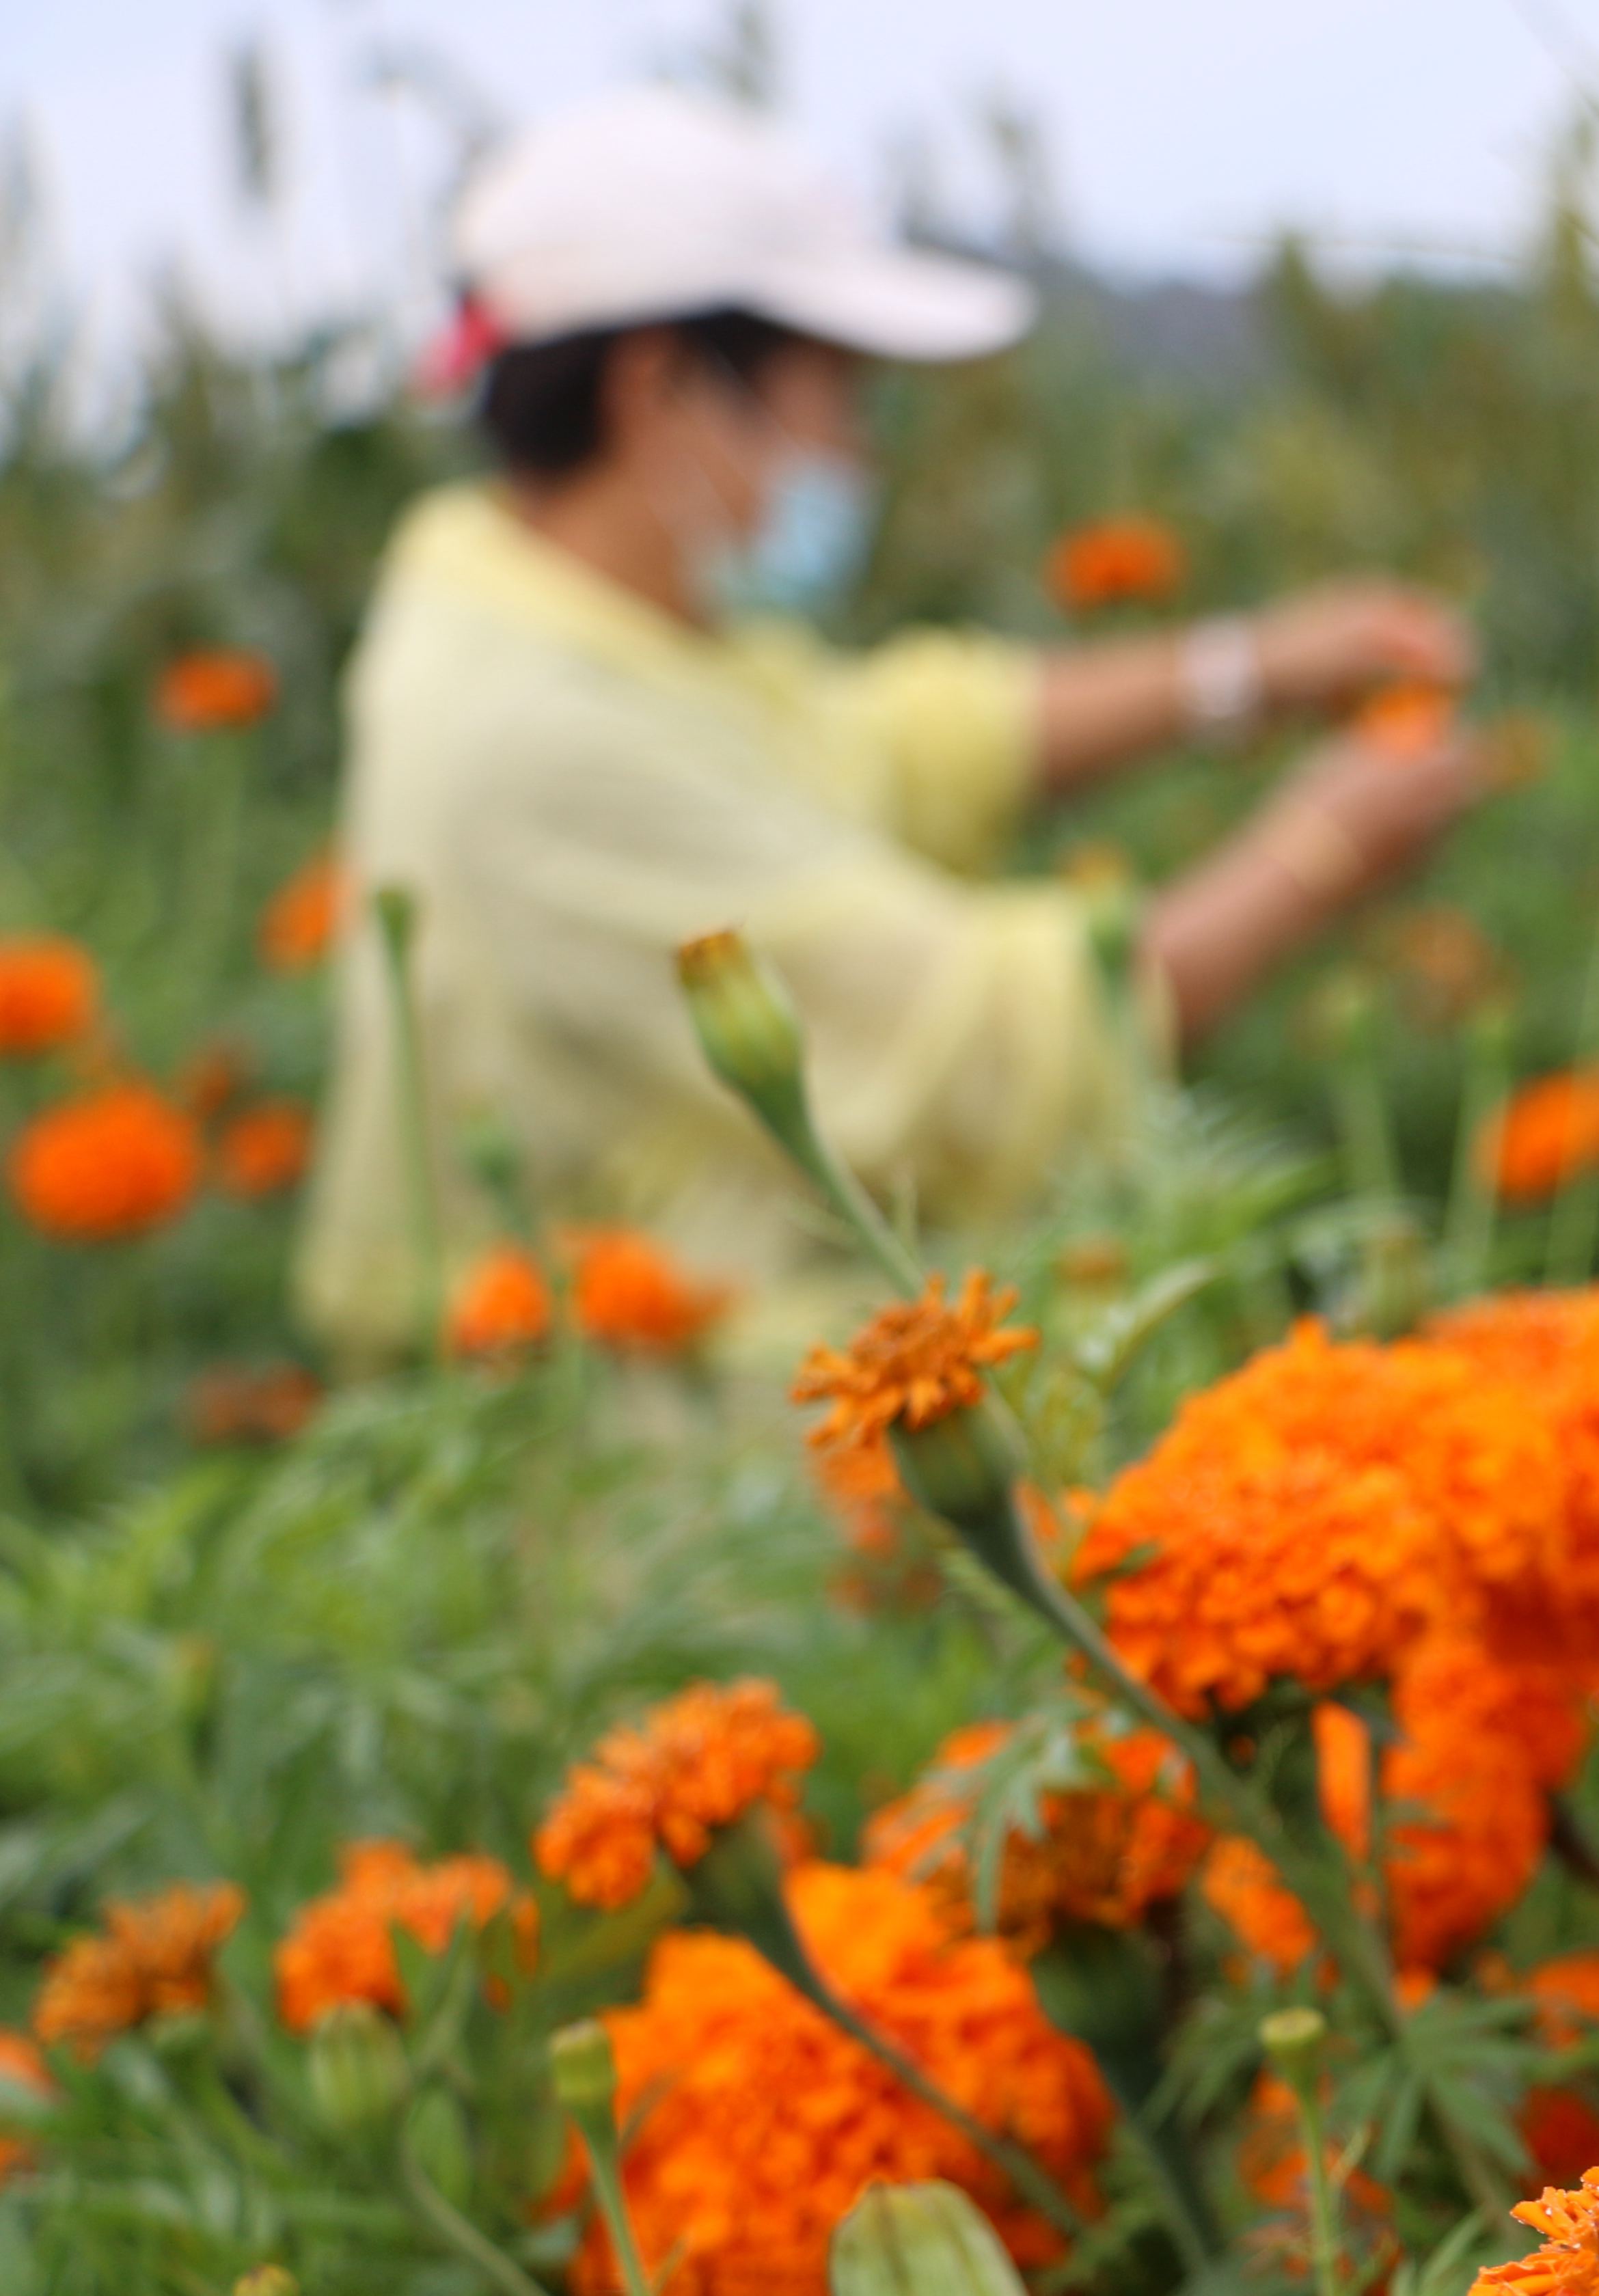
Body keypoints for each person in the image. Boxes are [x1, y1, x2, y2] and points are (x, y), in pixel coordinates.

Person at [298, 88, 1488, 1367]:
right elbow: (976, 1054)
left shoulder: (551, 613)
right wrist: (1322, 848)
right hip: (655, 1470)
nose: (858, 451)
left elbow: (885, 741)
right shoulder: (534, 735)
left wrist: (1242, 670)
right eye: (839, 395)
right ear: (662, 393)